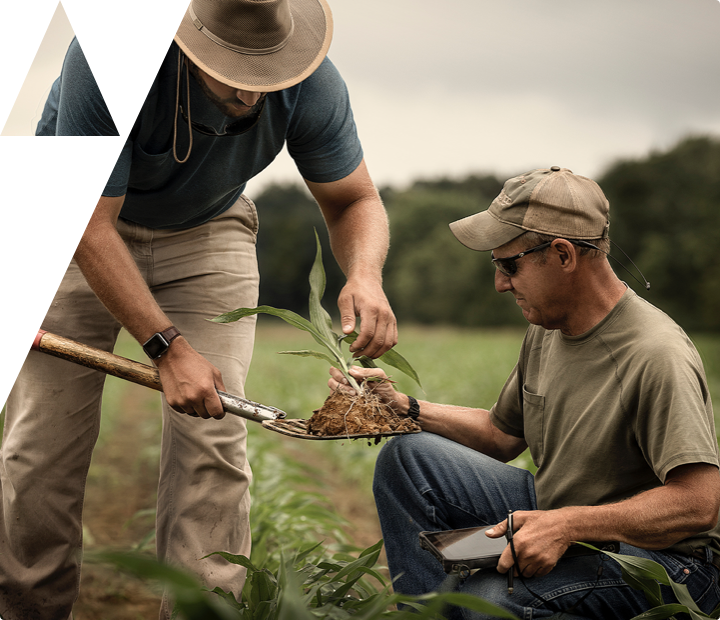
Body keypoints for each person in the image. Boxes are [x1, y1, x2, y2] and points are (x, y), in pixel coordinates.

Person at [1, 1, 397, 618]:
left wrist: (366, 276)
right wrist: (166, 347)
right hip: (87, 231)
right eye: (233, 70)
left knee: (212, 439)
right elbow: (91, 227)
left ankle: (199, 612)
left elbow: (355, 199)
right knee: (43, 446)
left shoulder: (314, 83)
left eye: (266, 73)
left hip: (209, 229)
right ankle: (30, 608)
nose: (249, 88)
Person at [328, 166, 720, 619]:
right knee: (407, 459)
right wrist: (404, 408)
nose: (500, 283)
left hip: (669, 565)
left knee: (490, 600)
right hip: (563, 511)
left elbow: (698, 502)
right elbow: (500, 435)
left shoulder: (655, 352)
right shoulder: (548, 327)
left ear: (564, 255)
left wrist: (569, 525)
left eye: (509, 265)